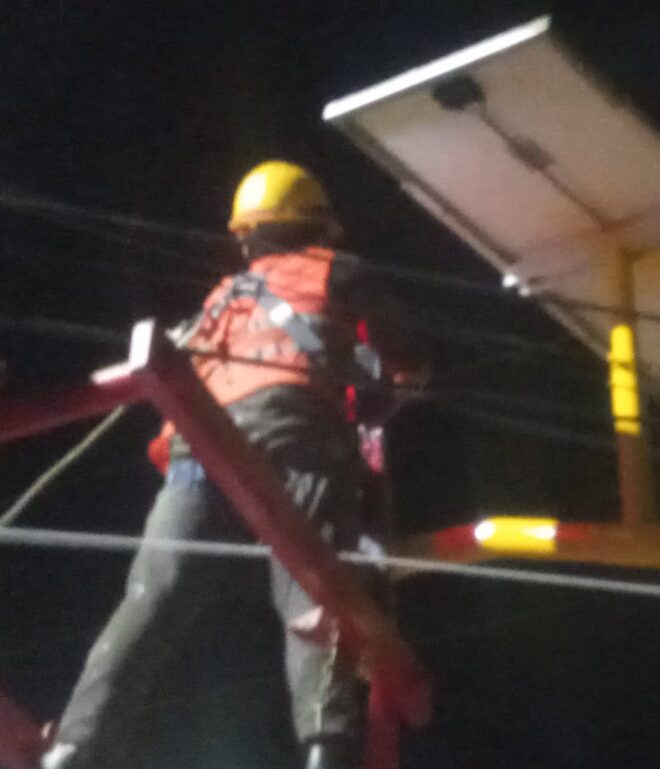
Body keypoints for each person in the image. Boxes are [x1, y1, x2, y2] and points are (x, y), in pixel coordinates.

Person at [40, 160, 424, 769]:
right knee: (315, 597)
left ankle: (74, 748)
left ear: (246, 234)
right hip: (291, 433)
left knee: (152, 596)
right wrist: (384, 395)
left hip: (200, 447)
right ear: (318, 226)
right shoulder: (337, 272)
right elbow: (407, 361)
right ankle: (327, 752)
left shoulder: (221, 298)